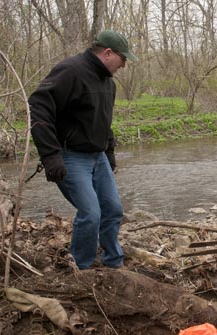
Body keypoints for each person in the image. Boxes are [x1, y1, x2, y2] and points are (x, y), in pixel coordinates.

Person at [28, 29, 137, 270]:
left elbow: (103, 121)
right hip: (70, 156)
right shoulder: (71, 71)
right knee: (90, 214)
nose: (124, 65)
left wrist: (109, 153)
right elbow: (38, 106)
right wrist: (50, 154)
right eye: (124, 58)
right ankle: (82, 269)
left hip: (97, 157)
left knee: (113, 210)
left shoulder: (108, 83)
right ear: (108, 53)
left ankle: (113, 263)